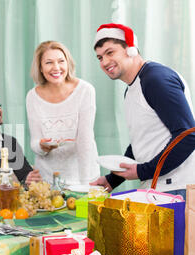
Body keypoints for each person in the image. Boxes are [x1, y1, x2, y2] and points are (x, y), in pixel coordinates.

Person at [90, 23, 195, 199]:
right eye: (100, 57)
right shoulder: (132, 88)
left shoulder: (156, 79)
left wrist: (142, 171)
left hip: (177, 188)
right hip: (159, 188)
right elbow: (143, 140)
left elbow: (188, 135)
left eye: (110, 52)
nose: (105, 61)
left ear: (130, 49)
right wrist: (112, 180)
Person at [26, 41, 100, 186]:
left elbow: (85, 141)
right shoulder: (32, 96)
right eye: (49, 63)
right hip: (47, 180)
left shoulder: (85, 90)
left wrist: (85, 185)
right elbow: (35, 143)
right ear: (40, 67)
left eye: (61, 61)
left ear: (68, 63)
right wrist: (42, 146)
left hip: (83, 176)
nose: (56, 68)